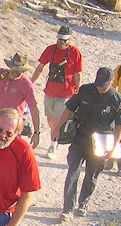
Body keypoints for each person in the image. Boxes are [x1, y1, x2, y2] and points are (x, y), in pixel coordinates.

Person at [54, 67, 121, 221]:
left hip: (101, 143)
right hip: (80, 138)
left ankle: (83, 204)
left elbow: (120, 125)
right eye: (98, 83)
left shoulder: (118, 100)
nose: (100, 87)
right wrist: (57, 128)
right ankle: (67, 209)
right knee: (73, 171)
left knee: (92, 175)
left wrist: (115, 146)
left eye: (103, 84)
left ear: (111, 82)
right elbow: (69, 108)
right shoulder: (85, 90)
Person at [30, 25, 83, 159]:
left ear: (70, 40)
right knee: (50, 118)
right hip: (50, 91)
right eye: (60, 39)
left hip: (66, 92)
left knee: (59, 118)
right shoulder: (50, 50)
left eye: (65, 40)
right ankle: (54, 134)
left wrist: (78, 89)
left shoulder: (75, 52)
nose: (62, 42)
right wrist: (31, 82)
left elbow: (77, 73)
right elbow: (40, 67)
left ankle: (54, 143)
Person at [0, 52, 42, 149]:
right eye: (14, 69)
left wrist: (36, 133)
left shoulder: (27, 85)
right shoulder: (0, 74)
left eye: (19, 71)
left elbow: (34, 109)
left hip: (11, 127)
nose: (15, 73)